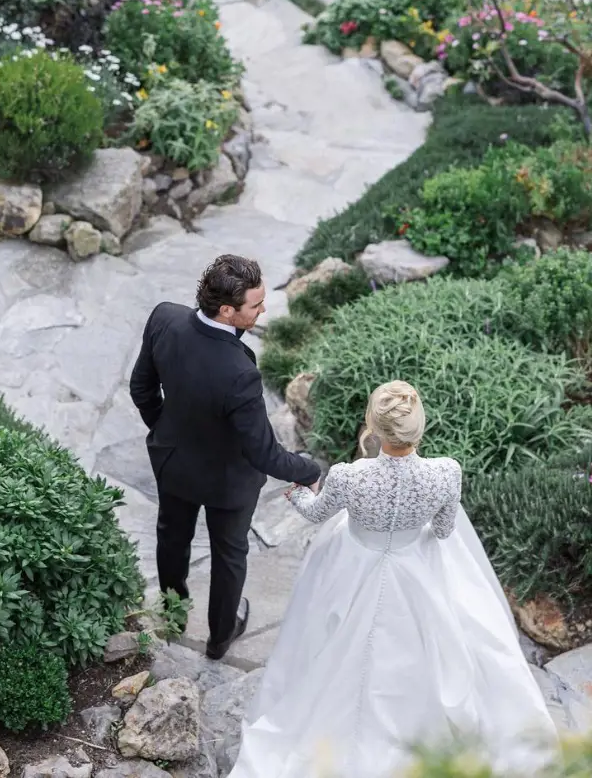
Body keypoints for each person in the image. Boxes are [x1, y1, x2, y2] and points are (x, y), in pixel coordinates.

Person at [228, 381, 559, 778]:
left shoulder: (350, 476)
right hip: (414, 569)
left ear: (374, 425)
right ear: (419, 428)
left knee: (325, 639)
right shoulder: (445, 473)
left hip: (352, 564)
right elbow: (441, 531)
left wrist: (297, 495)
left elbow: (316, 513)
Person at [129, 254, 320, 661]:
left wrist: (164, 430)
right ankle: (219, 637)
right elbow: (265, 453)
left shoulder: (165, 318)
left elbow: (140, 388)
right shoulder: (240, 371)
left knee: (171, 538)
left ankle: (174, 614)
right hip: (229, 484)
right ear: (228, 310)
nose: (264, 309)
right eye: (256, 305)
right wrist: (309, 469)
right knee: (229, 554)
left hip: (174, 464)